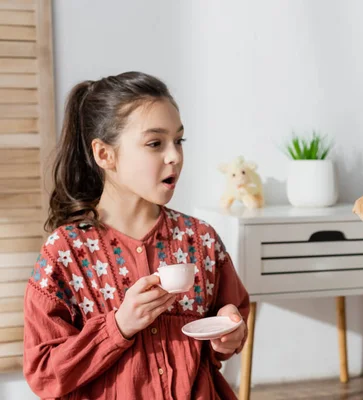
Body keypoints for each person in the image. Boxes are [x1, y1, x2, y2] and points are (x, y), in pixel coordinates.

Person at [22, 71, 249, 399]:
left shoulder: (201, 239)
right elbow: (44, 373)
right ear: (104, 154)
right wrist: (118, 327)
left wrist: (230, 329)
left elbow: (232, 315)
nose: (174, 156)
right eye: (155, 143)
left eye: (178, 140)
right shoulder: (66, 252)